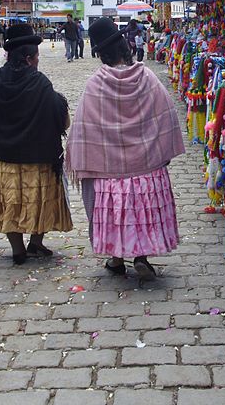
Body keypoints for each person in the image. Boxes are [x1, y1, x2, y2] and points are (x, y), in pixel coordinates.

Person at [66, 17, 185, 279]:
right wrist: (159, 152)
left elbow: (83, 128)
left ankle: (117, 259)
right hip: (145, 166)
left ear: (101, 54)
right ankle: (141, 256)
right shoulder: (147, 77)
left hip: (109, 168)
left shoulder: (96, 84)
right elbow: (165, 115)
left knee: (115, 213)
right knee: (142, 209)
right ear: (123, 46)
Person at [0, 24, 73, 264]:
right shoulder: (40, 83)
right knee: (41, 202)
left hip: (2, 161)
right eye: (37, 57)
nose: (38, 61)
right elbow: (62, 120)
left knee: (9, 204)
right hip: (35, 162)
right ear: (29, 58)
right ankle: (36, 243)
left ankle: (18, 250)